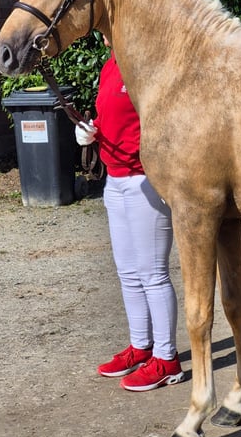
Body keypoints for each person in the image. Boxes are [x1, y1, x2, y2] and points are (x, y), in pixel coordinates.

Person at [75, 37, 183, 392]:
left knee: (152, 273)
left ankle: (167, 359)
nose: (107, 33)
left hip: (143, 180)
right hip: (115, 180)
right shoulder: (110, 65)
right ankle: (141, 347)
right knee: (128, 272)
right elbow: (114, 119)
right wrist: (90, 132)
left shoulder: (148, 64)